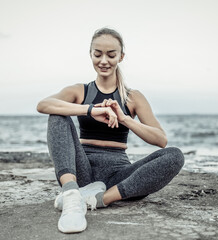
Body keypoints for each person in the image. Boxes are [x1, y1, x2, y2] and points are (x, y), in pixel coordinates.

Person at [36, 27, 184, 233]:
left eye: (111, 55)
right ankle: (71, 194)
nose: (104, 61)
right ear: (90, 54)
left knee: (174, 156)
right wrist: (91, 110)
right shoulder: (80, 91)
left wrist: (125, 119)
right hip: (82, 171)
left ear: (121, 57)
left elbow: (161, 140)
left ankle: (100, 199)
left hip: (119, 177)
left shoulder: (133, 97)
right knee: (57, 114)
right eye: (98, 54)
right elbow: (43, 104)